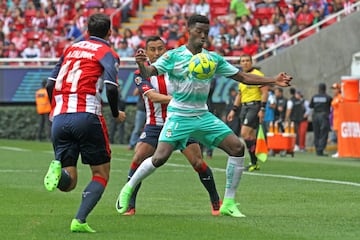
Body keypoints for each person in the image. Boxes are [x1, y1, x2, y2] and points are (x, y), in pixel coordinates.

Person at [115, 15, 292, 218]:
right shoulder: (173, 56)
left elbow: (242, 76)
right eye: (199, 31)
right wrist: (141, 65)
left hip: (202, 115)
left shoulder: (213, 59)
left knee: (237, 147)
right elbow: (148, 73)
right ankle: (129, 187)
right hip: (179, 115)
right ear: (189, 31)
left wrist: (272, 80)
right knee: (160, 157)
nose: (203, 36)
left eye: (206, 32)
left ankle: (228, 203)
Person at [119, 36, 221, 216]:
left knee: (197, 162)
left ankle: (216, 202)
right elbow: (152, 96)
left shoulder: (178, 69)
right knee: (138, 158)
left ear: (166, 50)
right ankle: (130, 204)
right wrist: (180, 100)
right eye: (153, 49)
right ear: (147, 52)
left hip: (181, 121)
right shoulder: (140, 74)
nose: (157, 53)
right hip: (156, 124)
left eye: (160, 48)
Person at [43, 13, 126, 233]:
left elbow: (50, 85)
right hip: (86, 115)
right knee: (101, 174)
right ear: (110, 32)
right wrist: (116, 112)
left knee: (69, 182)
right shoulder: (108, 52)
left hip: (60, 117)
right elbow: (110, 87)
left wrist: (54, 110)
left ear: (87, 32)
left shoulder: (71, 49)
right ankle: (79, 220)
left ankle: (57, 172)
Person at [227, 54, 269, 172]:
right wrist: (233, 110)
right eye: (243, 61)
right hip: (244, 108)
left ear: (251, 62)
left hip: (254, 106)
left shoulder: (258, 75)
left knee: (244, 133)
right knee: (251, 136)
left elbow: (265, 92)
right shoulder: (242, 77)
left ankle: (254, 160)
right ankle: (255, 161)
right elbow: (239, 95)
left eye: (247, 61)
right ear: (240, 63)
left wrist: (262, 109)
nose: (245, 63)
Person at [309, 83, 332, 156]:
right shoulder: (328, 97)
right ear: (325, 89)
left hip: (315, 116)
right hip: (324, 116)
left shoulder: (314, 97)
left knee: (316, 133)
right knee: (324, 133)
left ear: (319, 89)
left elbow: (311, 106)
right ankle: (320, 150)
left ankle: (317, 149)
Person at [330, 83, 343, 158]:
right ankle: (339, 151)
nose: (334, 91)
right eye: (333, 89)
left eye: (335, 89)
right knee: (338, 137)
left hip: (339, 119)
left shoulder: (340, 97)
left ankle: (340, 151)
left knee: (339, 137)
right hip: (335, 119)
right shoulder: (335, 98)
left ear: (339, 89)